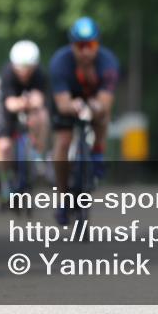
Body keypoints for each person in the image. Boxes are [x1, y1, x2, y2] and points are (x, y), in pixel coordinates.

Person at [48, 17, 120, 224]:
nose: (86, 51)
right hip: (68, 102)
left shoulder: (108, 63)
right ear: (72, 46)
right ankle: (63, 197)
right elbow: (62, 103)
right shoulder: (60, 62)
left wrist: (96, 107)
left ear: (98, 45)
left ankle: (97, 152)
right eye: (80, 46)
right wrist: (74, 106)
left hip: (94, 101)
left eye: (91, 45)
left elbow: (106, 102)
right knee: (62, 142)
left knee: (102, 116)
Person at [0, 40, 49, 202]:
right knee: (4, 146)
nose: (24, 72)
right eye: (20, 68)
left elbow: (40, 99)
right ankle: (5, 181)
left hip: (29, 107)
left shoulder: (39, 74)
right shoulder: (7, 73)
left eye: (28, 68)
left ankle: (37, 151)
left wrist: (30, 103)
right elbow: (9, 104)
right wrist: (25, 102)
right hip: (8, 108)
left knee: (42, 116)